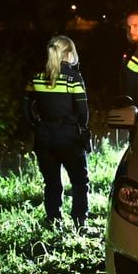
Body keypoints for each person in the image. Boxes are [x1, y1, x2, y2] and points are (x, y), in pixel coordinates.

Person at [24, 35, 90, 229]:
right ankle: (80, 221)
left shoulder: (36, 76)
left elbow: (25, 105)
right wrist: (81, 129)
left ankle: (53, 220)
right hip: (69, 137)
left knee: (52, 183)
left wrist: (35, 125)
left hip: (44, 136)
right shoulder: (74, 78)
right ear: (69, 54)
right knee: (79, 181)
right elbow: (83, 112)